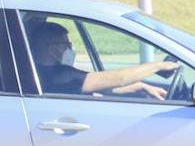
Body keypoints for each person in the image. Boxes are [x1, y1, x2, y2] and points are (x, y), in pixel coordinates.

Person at [28, 22, 175, 99]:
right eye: (67, 45)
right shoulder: (60, 76)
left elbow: (104, 85)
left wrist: (141, 87)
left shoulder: (38, 71)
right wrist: (158, 65)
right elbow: (119, 78)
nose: (71, 49)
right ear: (53, 49)